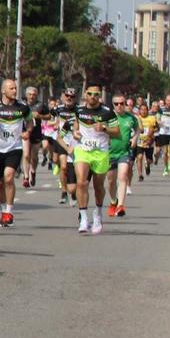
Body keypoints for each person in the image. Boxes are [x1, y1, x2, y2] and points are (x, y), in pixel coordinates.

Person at [0, 78, 31, 227]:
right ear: (3, 91)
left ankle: (9, 212)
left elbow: (30, 121)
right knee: (0, 182)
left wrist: (27, 131)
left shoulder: (23, 107)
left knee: (9, 178)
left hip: (14, 148)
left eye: (15, 88)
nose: (15, 91)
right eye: (11, 88)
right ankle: (3, 210)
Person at [69, 85, 116, 235]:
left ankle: (98, 213)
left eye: (96, 94)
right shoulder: (79, 110)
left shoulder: (107, 112)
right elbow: (75, 127)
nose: (93, 97)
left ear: (99, 96)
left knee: (98, 187)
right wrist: (75, 133)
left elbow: (117, 132)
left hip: (100, 152)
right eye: (90, 94)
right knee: (81, 182)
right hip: (83, 150)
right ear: (85, 95)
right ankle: (83, 218)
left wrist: (104, 129)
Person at [108, 94, 140, 217]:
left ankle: (121, 205)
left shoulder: (130, 118)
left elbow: (137, 129)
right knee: (111, 181)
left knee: (122, 177)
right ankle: (113, 201)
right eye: (117, 104)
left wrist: (135, 139)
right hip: (110, 153)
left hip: (124, 152)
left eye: (122, 103)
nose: (120, 106)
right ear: (113, 105)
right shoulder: (108, 117)